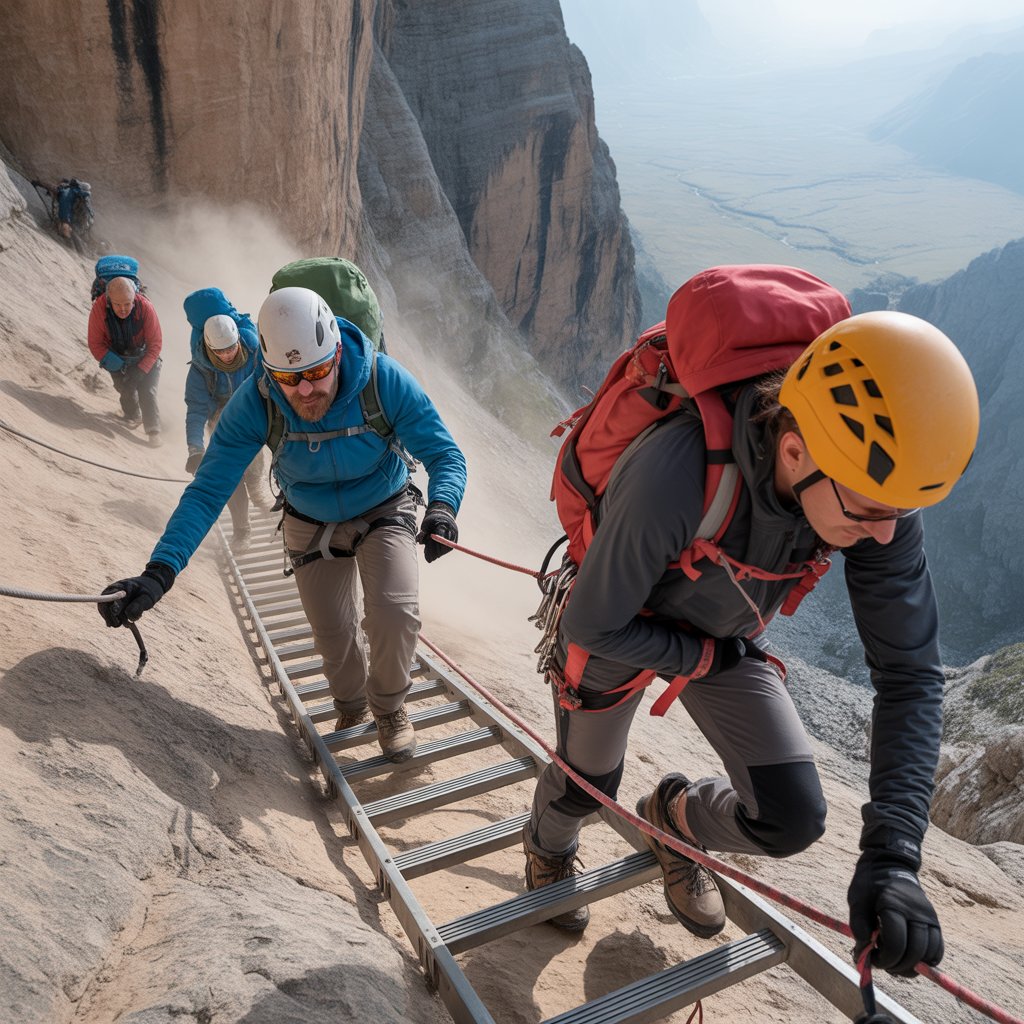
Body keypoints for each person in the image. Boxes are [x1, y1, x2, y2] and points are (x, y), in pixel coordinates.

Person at [523, 306, 979, 986]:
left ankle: (675, 818)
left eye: (899, 512)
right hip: (623, 623)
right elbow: (592, 624)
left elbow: (910, 675)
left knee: (791, 816)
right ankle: (547, 848)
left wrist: (894, 856)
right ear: (794, 451)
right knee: (590, 783)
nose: (887, 534)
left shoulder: (870, 489)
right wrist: (704, 658)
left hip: (719, 633)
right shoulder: (678, 470)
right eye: (870, 513)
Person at [97, 286, 467, 763]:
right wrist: (159, 572)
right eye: (290, 378)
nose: (305, 390)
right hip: (309, 517)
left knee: (394, 614)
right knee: (332, 633)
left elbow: (444, 453)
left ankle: (390, 709)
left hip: (383, 507)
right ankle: (351, 704)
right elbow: (208, 491)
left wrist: (443, 506)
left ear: (337, 353)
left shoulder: (382, 380)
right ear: (270, 371)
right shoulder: (257, 402)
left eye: (315, 372)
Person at [183, 287, 274, 551]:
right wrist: (195, 448)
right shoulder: (201, 370)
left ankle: (262, 499)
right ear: (209, 347)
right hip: (221, 423)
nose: (228, 355)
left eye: (232, 348)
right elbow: (196, 410)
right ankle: (242, 530)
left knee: (253, 471)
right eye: (220, 352)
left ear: (238, 340)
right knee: (231, 476)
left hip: (254, 415)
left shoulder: (255, 351)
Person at [87, 276, 163, 446]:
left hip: (146, 356)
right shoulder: (99, 309)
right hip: (117, 358)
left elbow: (155, 344)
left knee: (147, 392)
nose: (123, 309)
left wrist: (140, 370)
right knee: (125, 389)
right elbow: (95, 344)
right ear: (109, 300)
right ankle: (132, 415)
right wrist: (118, 366)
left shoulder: (146, 308)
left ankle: (154, 432)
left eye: (127, 304)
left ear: (134, 299)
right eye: (117, 305)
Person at [32, 176, 93, 243]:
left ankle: (69, 240)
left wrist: (37, 182)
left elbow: (65, 207)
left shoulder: (66, 192)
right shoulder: (81, 195)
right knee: (74, 231)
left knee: (67, 229)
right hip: (84, 220)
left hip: (74, 218)